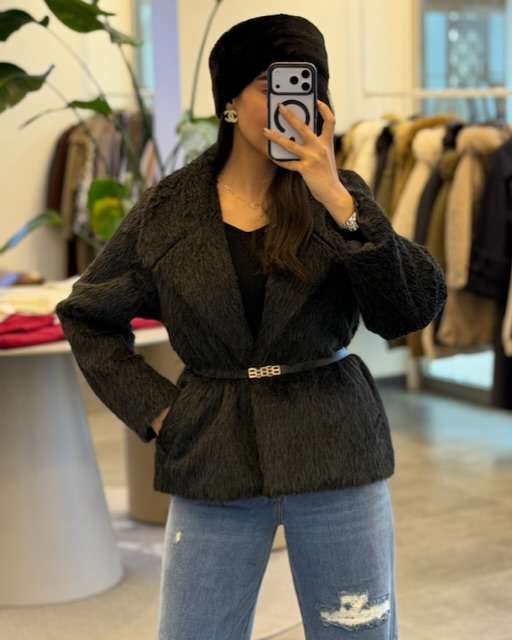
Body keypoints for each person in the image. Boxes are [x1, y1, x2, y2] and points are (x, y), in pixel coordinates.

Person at [57, 14, 446, 640]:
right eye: (272, 85)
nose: (291, 104)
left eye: (306, 86)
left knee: (357, 632)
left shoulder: (339, 196)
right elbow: (86, 314)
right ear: (230, 102)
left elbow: (407, 312)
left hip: (335, 446)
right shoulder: (170, 209)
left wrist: (337, 200)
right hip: (213, 452)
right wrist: (161, 411)